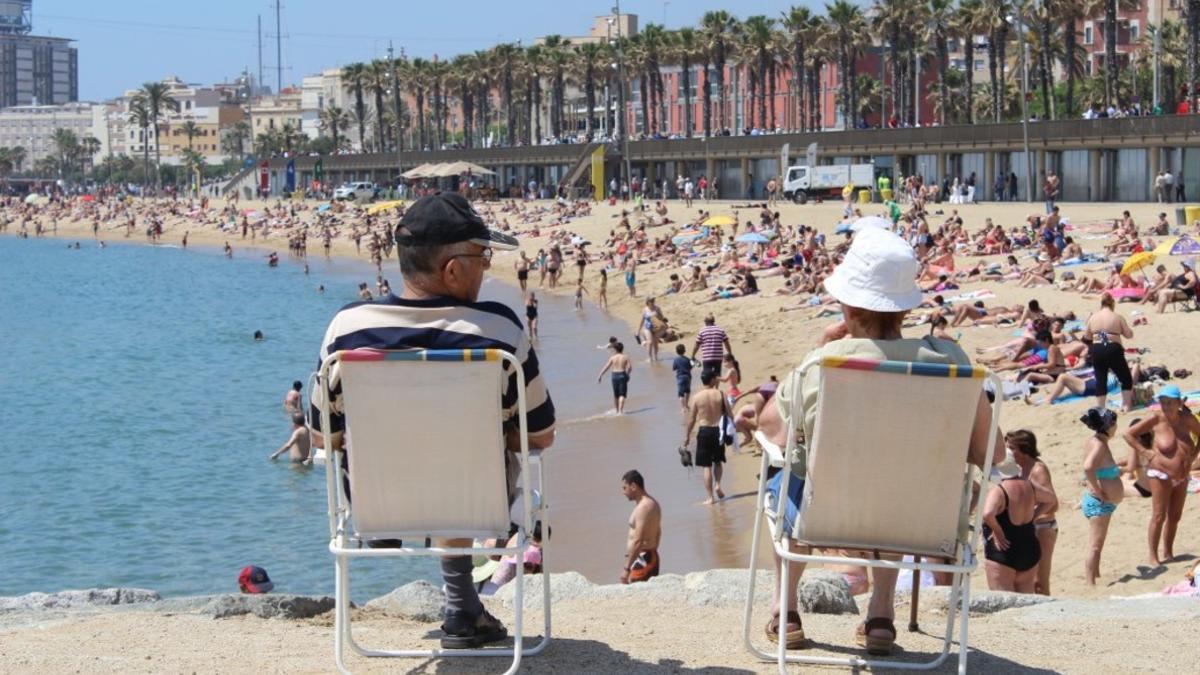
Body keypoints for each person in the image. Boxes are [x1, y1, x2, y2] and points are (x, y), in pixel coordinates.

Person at [309, 191, 556, 650]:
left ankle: (460, 602)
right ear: (453, 269)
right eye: (482, 256)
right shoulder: (498, 332)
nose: (487, 267)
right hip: (480, 501)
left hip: (373, 504)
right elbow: (541, 433)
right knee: (465, 458)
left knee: (436, 455)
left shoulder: (348, 329)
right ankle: (462, 604)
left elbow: (324, 434)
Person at [756, 225, 1002, 654]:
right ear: (904, 311)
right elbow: (991, 453)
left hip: (827, 515)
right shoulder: (949, 363)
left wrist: (817, 350)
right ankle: (881, 613)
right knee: (901, 484)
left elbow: (770, 429)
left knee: (785, 477)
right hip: (922, 520)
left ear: (847, 309)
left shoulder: (825, 363)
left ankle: (785, 608)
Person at [1122, 385, 1200, 566]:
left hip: (1182, 474)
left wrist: (1194, 453)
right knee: (1158, 516)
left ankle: (1168, 552)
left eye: (1169, 403)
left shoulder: (1187, 419)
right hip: (1160, 473)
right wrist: (1145, 451)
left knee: (1175, 516)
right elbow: (1128, 434)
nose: (1165, 406)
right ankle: (1153, 555)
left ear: (1179, 403)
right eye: (1162, 402)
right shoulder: (1156, 419)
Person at [982, 438, 1056, 593]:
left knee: (1004, 604)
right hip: (1029, 548)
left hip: (1004, 551)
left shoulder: (999, 490)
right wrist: (1034, 516)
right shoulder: (1028, 485)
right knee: (1026, 604)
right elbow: (1050, 499)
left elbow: (988, 513)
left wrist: (997, 530)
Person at [1005, 430, 1059, 595]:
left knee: (1039, 582)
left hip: (1043, 528)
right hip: (1026, 529)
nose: (1007, 451)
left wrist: (1033, 518)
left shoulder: (1038, 469)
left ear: (1023, 449)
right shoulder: (1017, 468)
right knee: (1022, 580)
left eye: (1010, 448)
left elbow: (1053, 503)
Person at [1080, 407, 1124, 586]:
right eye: (1114, 423)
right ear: (1108, 426)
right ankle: (1090, 583)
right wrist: (1098, 491)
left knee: (1099, 544)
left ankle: (1096, 576)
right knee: (1095, 545)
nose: (1116, 427)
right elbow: (1088, 467)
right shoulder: (1098, 445)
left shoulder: (1097, 440)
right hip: (1099, 502)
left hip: (1103, 502)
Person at [684, 370, 730, 505]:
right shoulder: (721, 394)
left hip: (704, 431)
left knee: (706, 466)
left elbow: (692, 419)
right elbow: (729, 413)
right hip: (718, 430)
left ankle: (710, 497)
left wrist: (687, 436)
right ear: (712, 380)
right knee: (718, 461)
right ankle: (718, 485)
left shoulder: (697, 397)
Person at [1084, 293, 1134, 411]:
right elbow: (1129, 335)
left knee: (1101, 379)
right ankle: (1126, 405)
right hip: (1113, 347)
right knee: (1125, 377)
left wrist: (1101, 334)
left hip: (1097, 348)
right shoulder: (1117, 317)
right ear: (1112, 304)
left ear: (1101, 304)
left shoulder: (1093, 317)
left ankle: (1101, 407)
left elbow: (1087, 337)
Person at [620, 470, 662, 583]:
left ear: (633, 486)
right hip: (646, 556)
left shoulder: (644, 507)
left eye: (624, 488)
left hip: (644, 559)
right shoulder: (652, 503)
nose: (623, 492)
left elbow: (638, 540)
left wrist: (626, 569)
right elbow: (658, 531)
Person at [691, 314, 732, 381]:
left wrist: (693, 355)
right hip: (718, 356)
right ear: (713, 321)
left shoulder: (702, 331)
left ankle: (709, 388)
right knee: (717, 373)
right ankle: (716, 389)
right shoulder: (720, 330)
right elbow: (726, 343)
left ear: (706, 322)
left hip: (707, 357)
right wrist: (730, 353)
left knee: (707, 374)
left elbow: (696, 345)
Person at [597, 341, 633, 414]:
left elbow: (606, 367)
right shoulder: (625, 357)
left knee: (616, 395)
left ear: (615, 349)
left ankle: (617, 411)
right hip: (622, 374)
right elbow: (629, 368)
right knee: (622, 395)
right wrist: (628, 374)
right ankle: (620, 411)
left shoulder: (612, 357)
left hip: (614, 375)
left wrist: (600, 375)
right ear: (622, 349)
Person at [672, 343, 693, 411]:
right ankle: (686, 405)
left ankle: (683, 408)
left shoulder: (676, 360)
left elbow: (674, 368)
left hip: (680, 377)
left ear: (676, 351)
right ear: (684, 351)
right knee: (687, 391)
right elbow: (691, 367)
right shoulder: (688, 359)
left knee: (681, 393)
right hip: (688, 377)